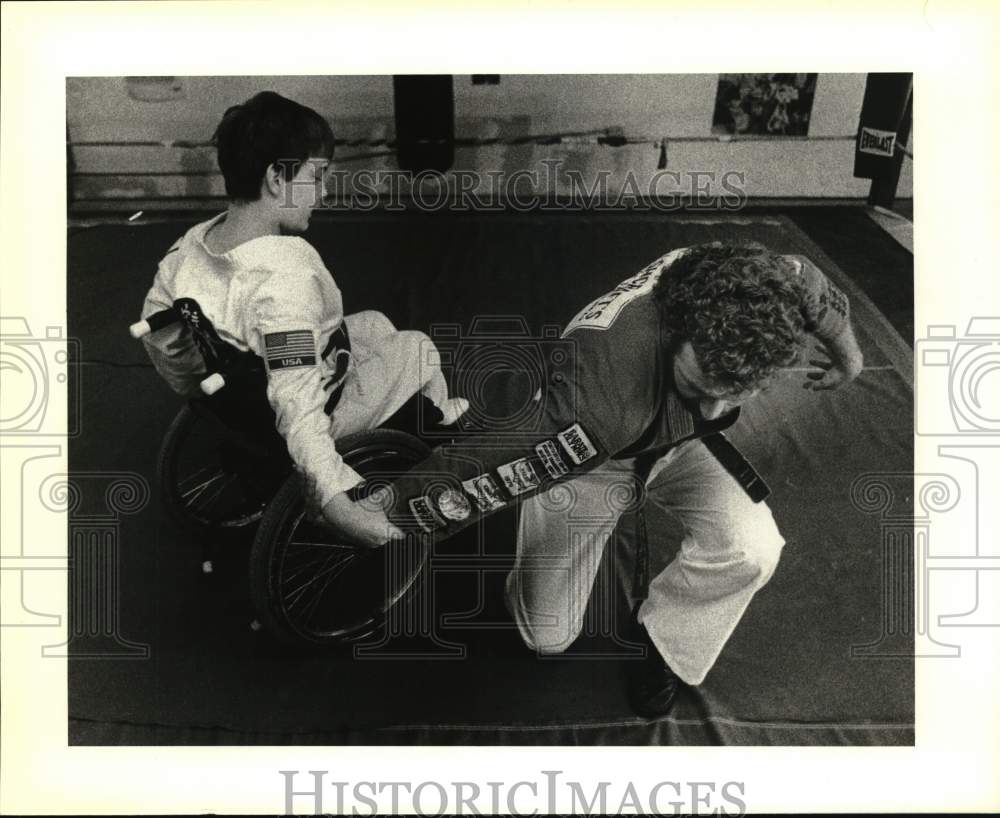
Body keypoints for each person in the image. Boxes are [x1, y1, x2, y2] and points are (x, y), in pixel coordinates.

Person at [383, 241, 863, 718]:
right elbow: (492, 460)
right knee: (545, 635)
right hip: (596, 458)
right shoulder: (598, 400)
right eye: (699, 386)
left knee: (752, 549)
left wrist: (849, 356)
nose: (719, 406)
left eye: (740, 390)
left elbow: (813, 286)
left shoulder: (761, 284)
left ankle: (664, 640)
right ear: (677, 330)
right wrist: (390, 510)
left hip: (682, 443)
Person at [139, 91, 466, 547]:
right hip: (300, 404)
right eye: (318, 176)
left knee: (374, 323)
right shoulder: (283, 284)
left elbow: (159, 331)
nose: (325, 192)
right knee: (418, 347)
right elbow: (296, 403)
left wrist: (204, 386)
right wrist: (335, 502)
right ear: (277, 176)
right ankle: (438, 423)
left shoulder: (190, 247)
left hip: (237, 381)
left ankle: (410, 409)